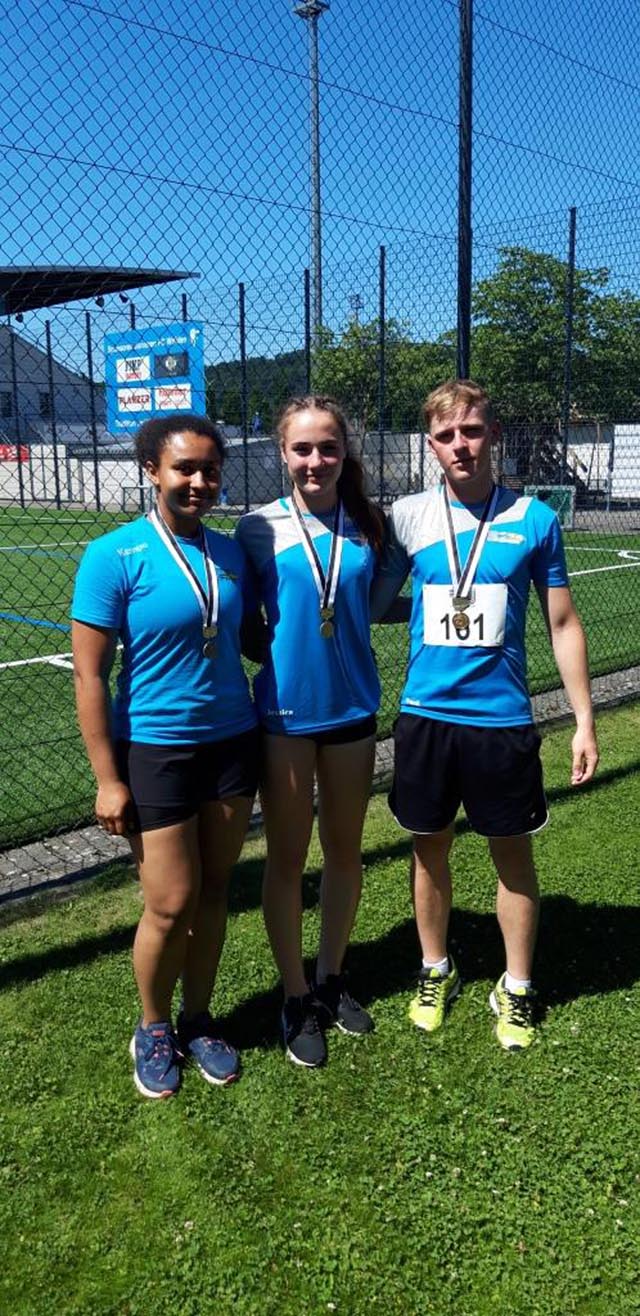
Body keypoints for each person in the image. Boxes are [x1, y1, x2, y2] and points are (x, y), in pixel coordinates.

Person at [371, 380, 599, 1051]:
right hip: (425, 715)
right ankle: (435, 968)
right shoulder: (407, 516)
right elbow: (374, 601)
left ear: (493, 435)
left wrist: (584, 719)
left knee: (512, 855)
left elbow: (562, 622)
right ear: (431, 445)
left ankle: (518, 985)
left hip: (501, 720)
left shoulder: (534, 519)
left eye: (471, 431)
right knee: (429, 847)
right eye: (446, 436)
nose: (460, 445)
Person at [71, 413, 259, 1098]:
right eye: (184, 468)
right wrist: (107, 779)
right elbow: (90, 676)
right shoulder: (113, 556)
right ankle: (153, 1026)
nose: (199, 482)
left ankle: (199, 1017)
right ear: (152, 470)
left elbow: (254, 638)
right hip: (156, 750)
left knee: (214, 891)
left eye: (210, 469)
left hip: (234, 744)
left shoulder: (232, 552)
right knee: (169, 902)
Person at [236, 395, 386, 1068]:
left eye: (328, 447)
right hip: (286, 717)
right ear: (282, 453)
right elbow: (241, 625)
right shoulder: (256, 529)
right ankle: (294, 995)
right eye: (302, 448)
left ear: (344, 451)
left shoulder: (366, 524)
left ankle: (330, 977)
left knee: (346, 853)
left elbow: (373, 600)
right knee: (289, 861)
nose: (316, 460)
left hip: (353, 712)